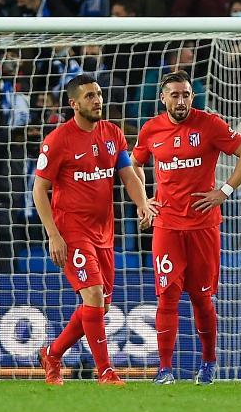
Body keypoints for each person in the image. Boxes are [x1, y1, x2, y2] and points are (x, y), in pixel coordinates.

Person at [131, 71, 241, 385]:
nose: (181, 101)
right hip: (167, 227)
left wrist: (224, 191)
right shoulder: (151, 129)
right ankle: (164, 370)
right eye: (174, 95)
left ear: (192, 96)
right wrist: (143, 201)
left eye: (186, 95)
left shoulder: (210, 125)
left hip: (203, 226)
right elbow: (134, 164)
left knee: (202, 299)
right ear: (163, 98)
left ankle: (208, 364)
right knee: (167, 298)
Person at [33, 73, 158, 386]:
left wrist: (142, 203)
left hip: (104, 231)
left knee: (100, 306)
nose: (97, 100)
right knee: (93, 294)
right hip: (72, 230)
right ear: (74, 104)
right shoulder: (58, 140)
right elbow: (39, 190)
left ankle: (52, 353)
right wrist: (53, 234)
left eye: (99, 94)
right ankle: (106, 372)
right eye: (89, 96)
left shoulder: (112, 133)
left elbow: (128, 174)